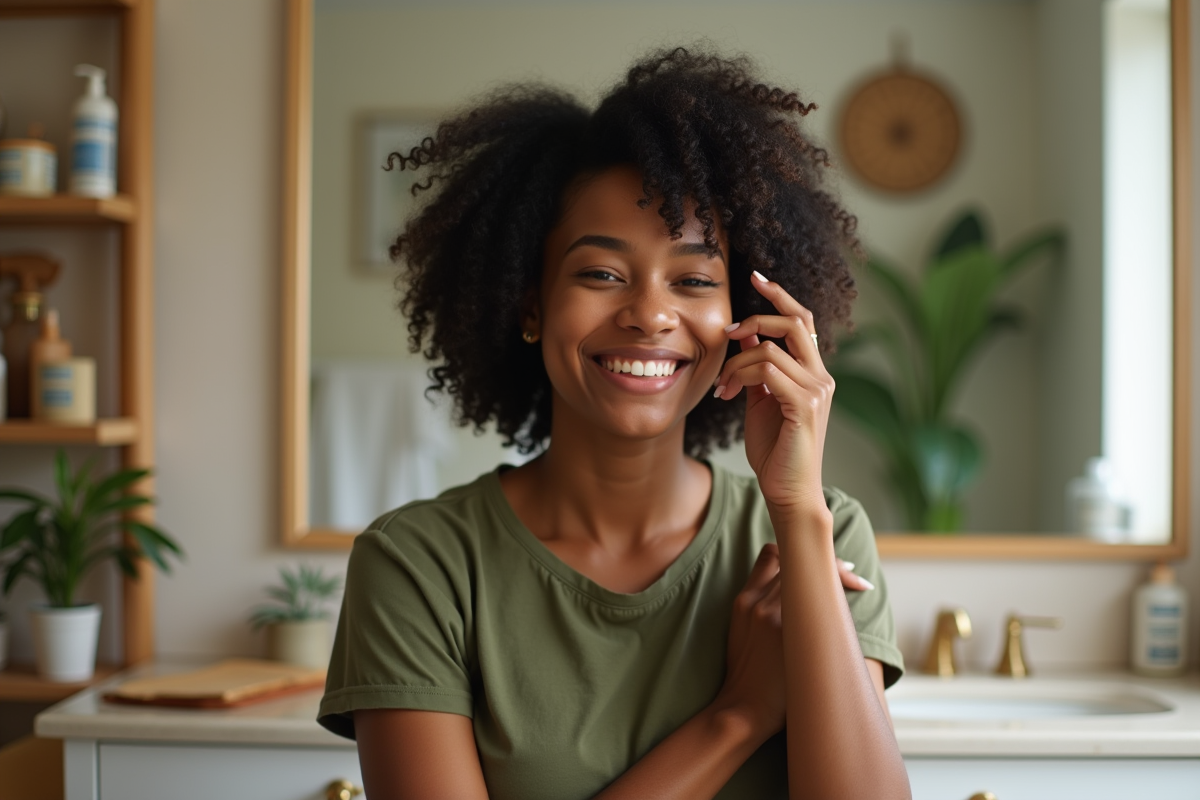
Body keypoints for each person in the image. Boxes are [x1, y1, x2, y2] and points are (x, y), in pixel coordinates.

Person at [317, 46, 909, 800]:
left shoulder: (821, 535)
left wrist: (796, 511)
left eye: (694, 279)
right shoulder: (418, 566)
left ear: (746, 320)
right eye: (601, 273)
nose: (651, 314)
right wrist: (738, 715)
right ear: (531, 304)